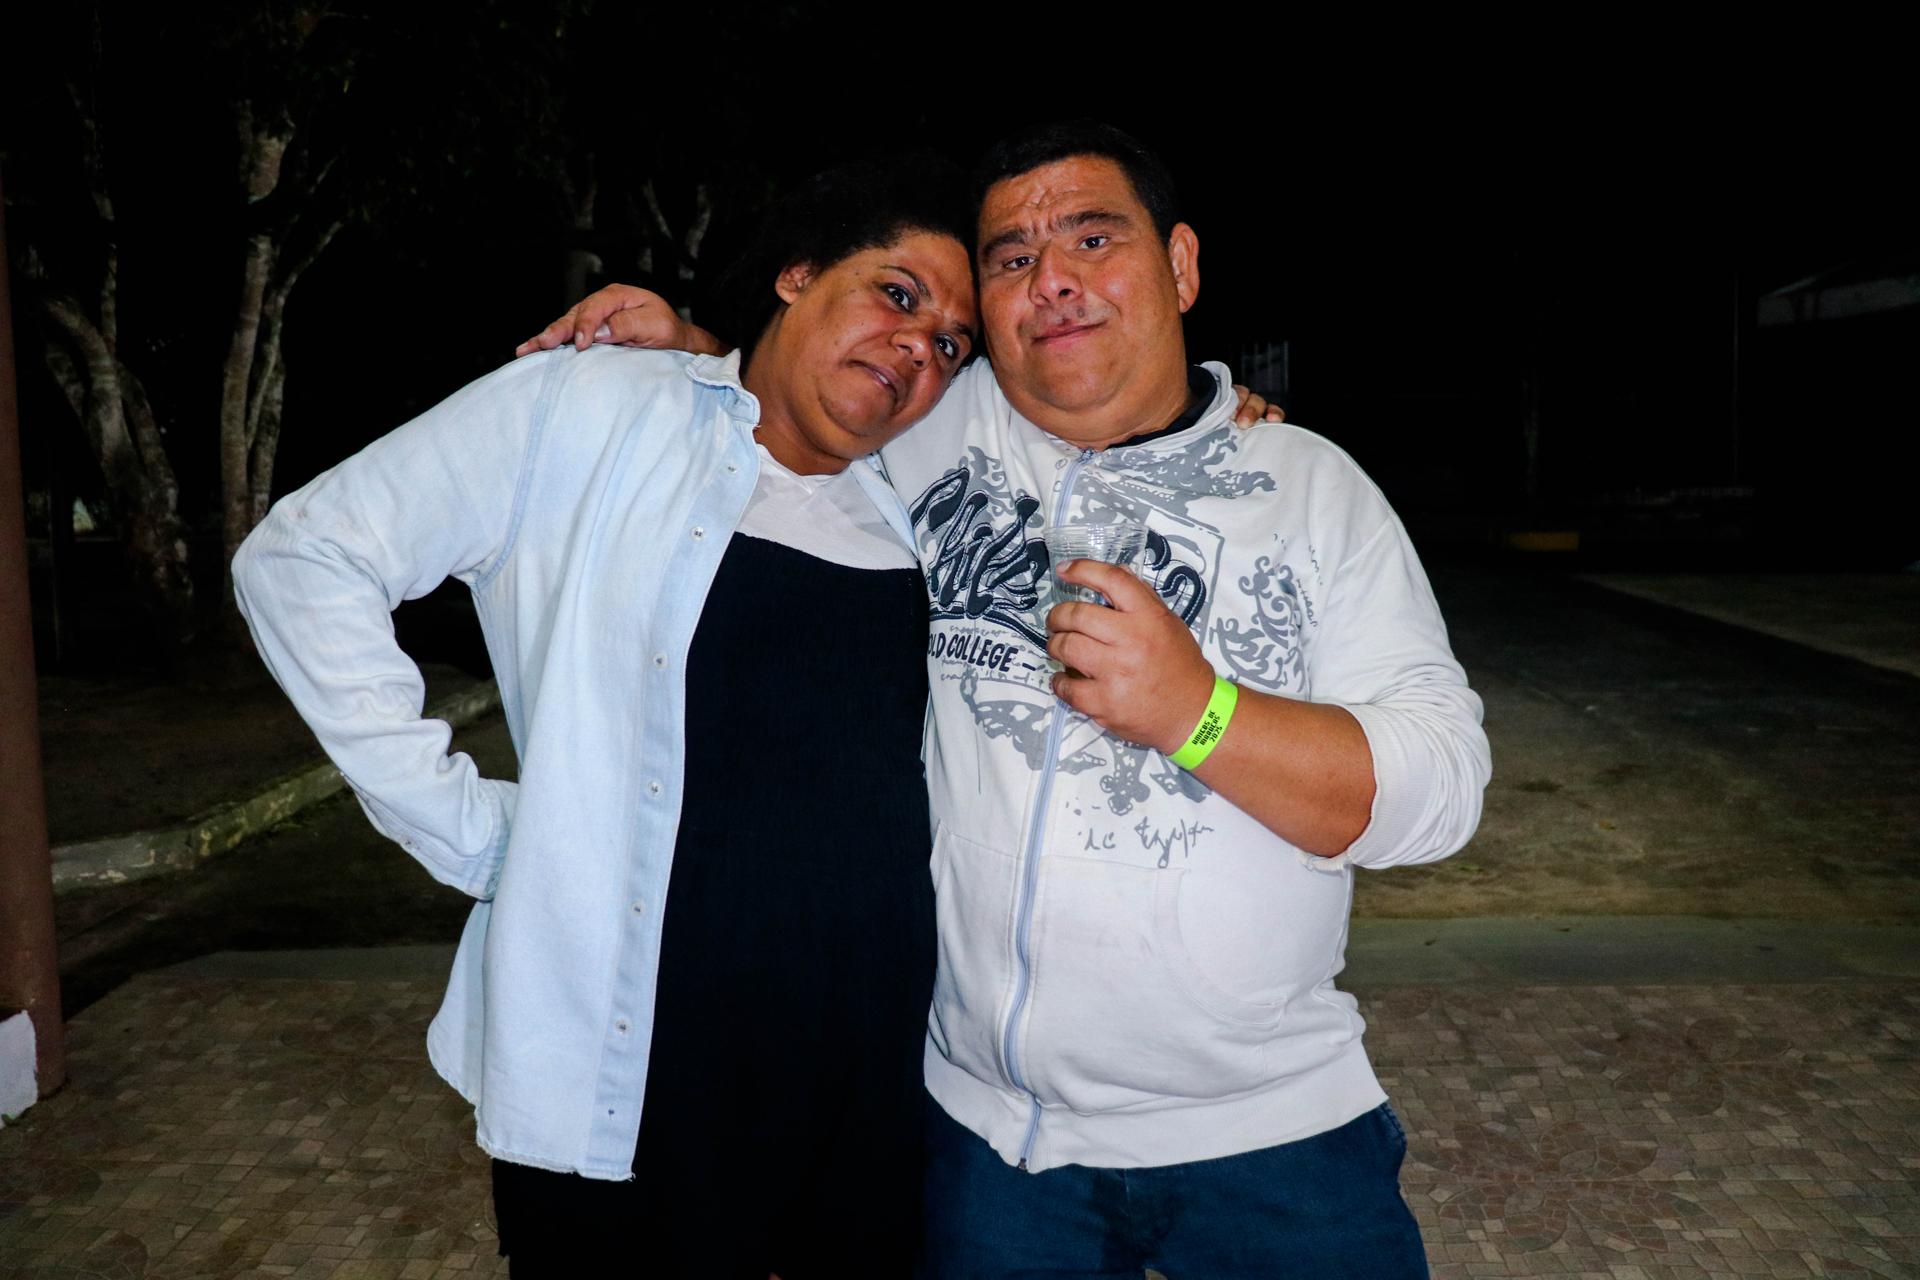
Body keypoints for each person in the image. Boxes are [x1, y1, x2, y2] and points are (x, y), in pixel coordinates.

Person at [525, 120, 1491, 1279]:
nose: (1055, 280)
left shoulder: (1314, 491)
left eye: (1094, 238)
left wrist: (1198, 711)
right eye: (1015, 258)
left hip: (1274, 1135)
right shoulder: (926, 430)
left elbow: (1440, 789)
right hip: (989, 1150)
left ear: (1181, 265)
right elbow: (802, 392)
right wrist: (693, 348)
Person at [234, 159, 982, 1277]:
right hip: (634, 1075)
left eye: (952, 344)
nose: (920, 346)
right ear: (796, 274)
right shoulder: (586, 411)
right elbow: (305, 558)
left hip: (870, 1076)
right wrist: (471, 831)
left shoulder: (916, 503)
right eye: (898, 294)